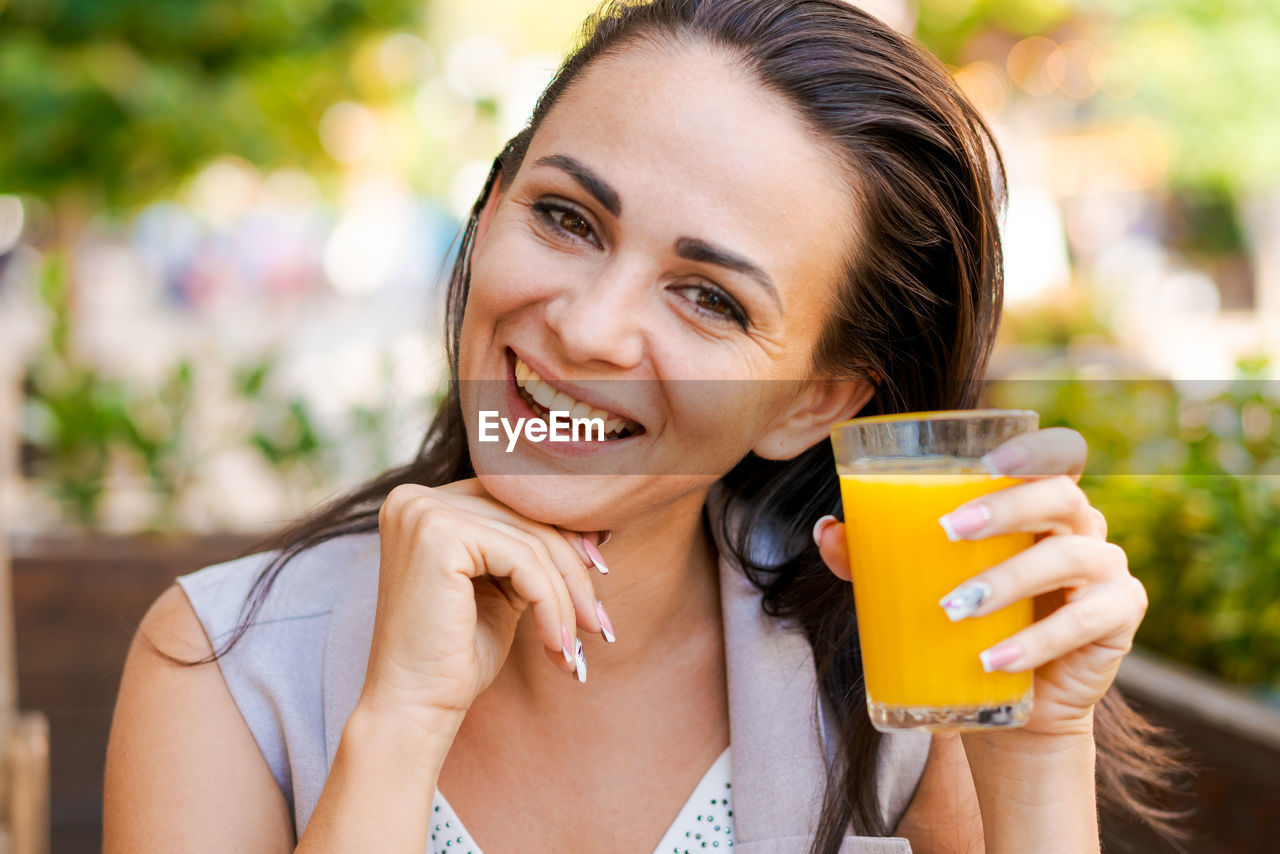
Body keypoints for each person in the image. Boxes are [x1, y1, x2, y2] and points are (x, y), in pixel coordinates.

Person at [104, 1, 1189, 852]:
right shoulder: (225, 663)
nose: (587, 327)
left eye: (709, 298)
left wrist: (1039, 756)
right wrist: (397, 727)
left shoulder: (896, 685)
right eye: (567, 219)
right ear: (488, 214)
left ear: (814, 401)